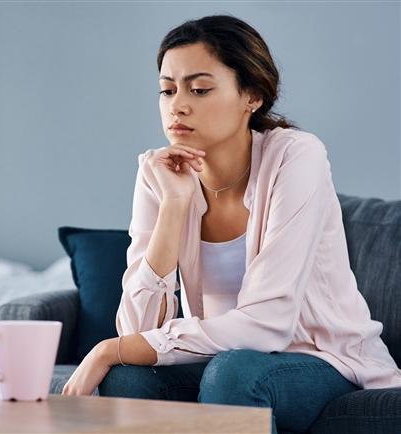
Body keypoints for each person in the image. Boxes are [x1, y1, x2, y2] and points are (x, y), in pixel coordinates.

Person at [61, 14, 401, 434]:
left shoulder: (296, 157)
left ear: (252, 96)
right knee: (128, 376)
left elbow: (268, 323)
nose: (177, 105)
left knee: (234, 372)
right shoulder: (159, 174)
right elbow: (138, 331)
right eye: (167, 90)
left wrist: (108, 349)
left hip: (324, 359)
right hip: (222, 357)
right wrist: (173, 206)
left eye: (199, 89)